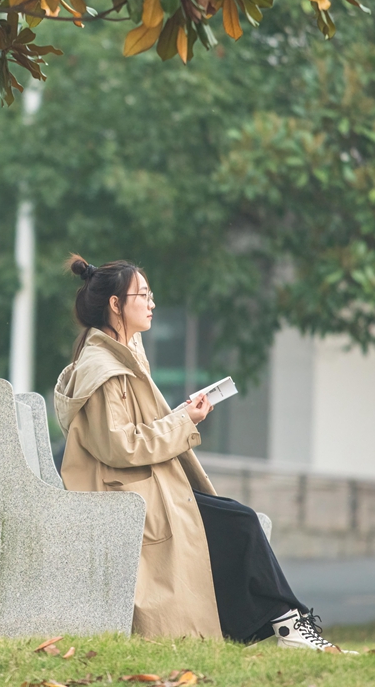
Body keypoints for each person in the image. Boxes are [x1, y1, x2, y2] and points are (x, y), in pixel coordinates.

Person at [53, 255, 349, 651]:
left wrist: (182, 416)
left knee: (238, 523)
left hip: (141, 488)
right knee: (241, 524)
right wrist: (182, 423)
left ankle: (287, 625)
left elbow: (127, 435)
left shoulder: (115, 356)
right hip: (126, 498)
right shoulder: (104, 368)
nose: (152, 302)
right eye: (142, 294)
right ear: (115, 305)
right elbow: (121, 445)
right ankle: (289, 627)